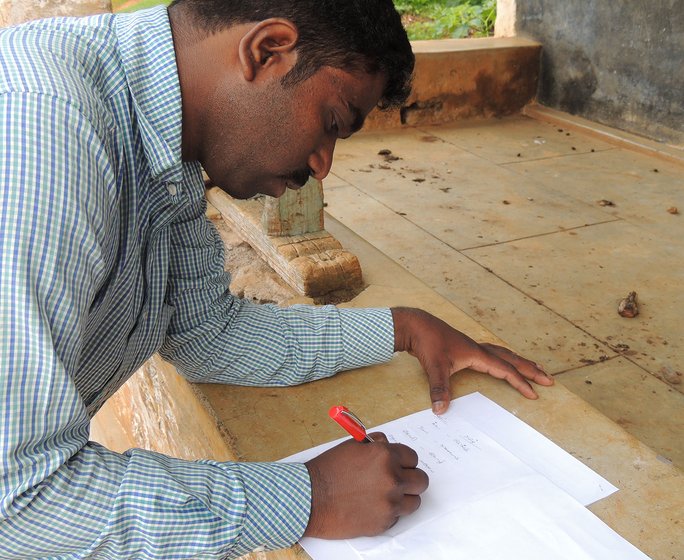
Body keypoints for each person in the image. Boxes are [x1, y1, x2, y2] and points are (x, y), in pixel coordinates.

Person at [0, 0, 553, 557]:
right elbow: (16, 498)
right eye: (333, 122)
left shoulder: (168, 152)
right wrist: (312, 497)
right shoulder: (42, 135)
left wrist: (402, 329)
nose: (322, 165)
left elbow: (208, 335)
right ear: (267, 51)